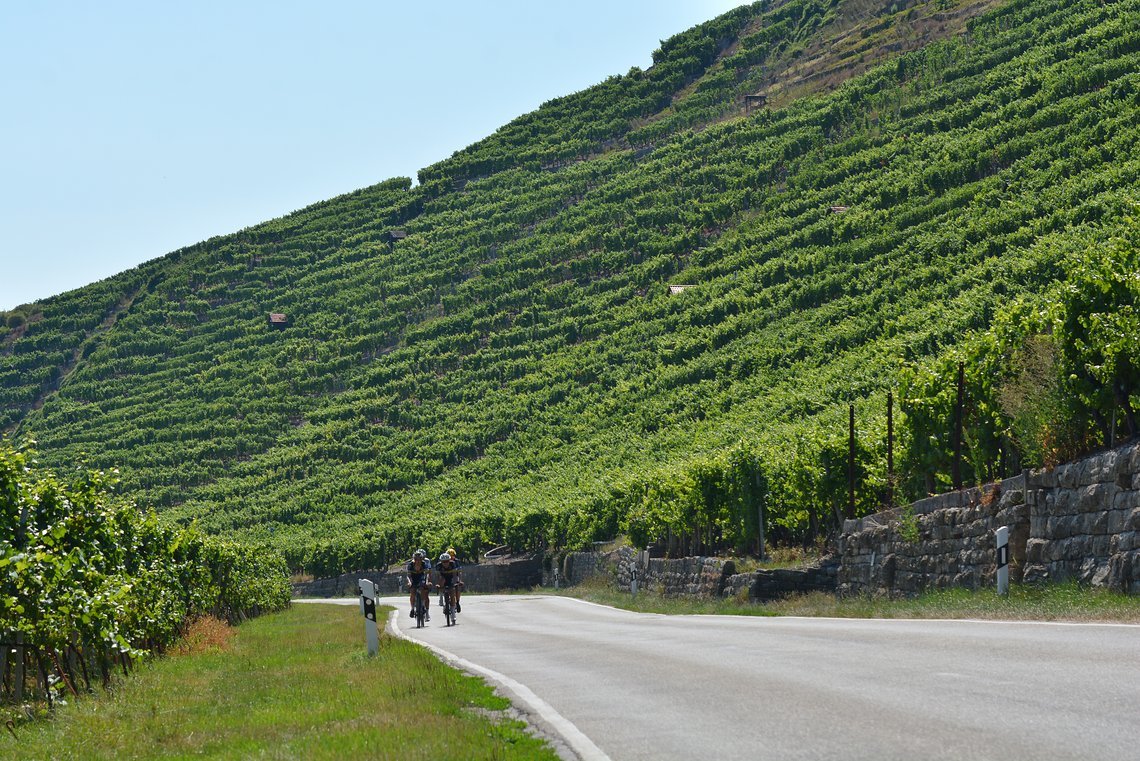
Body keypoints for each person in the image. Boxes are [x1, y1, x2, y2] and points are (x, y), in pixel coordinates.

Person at [406, 549, 432, 620]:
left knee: (423, 589)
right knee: (412, 593)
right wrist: (409, 582)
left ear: (422, 559)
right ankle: (412, 609)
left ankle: (423, 605)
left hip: (421, 577)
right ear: (414, 559)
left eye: (419, 559)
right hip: (413, 578)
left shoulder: (424, 564)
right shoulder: (410, 564)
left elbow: (427, 575)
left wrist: (427, 582)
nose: (418, 561)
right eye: (416, 559)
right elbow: (408, 576)